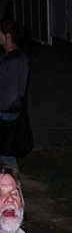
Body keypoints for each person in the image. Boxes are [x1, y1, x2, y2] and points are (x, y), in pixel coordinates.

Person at [0, 17, 29, 166]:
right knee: (6, 151)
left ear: (7, 36)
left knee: (5, 152)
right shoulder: (19, 57)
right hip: (13, 110)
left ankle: (12, 179)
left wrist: (2, 106)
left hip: (7, 113)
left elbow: (11, 92)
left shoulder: (11, 62)